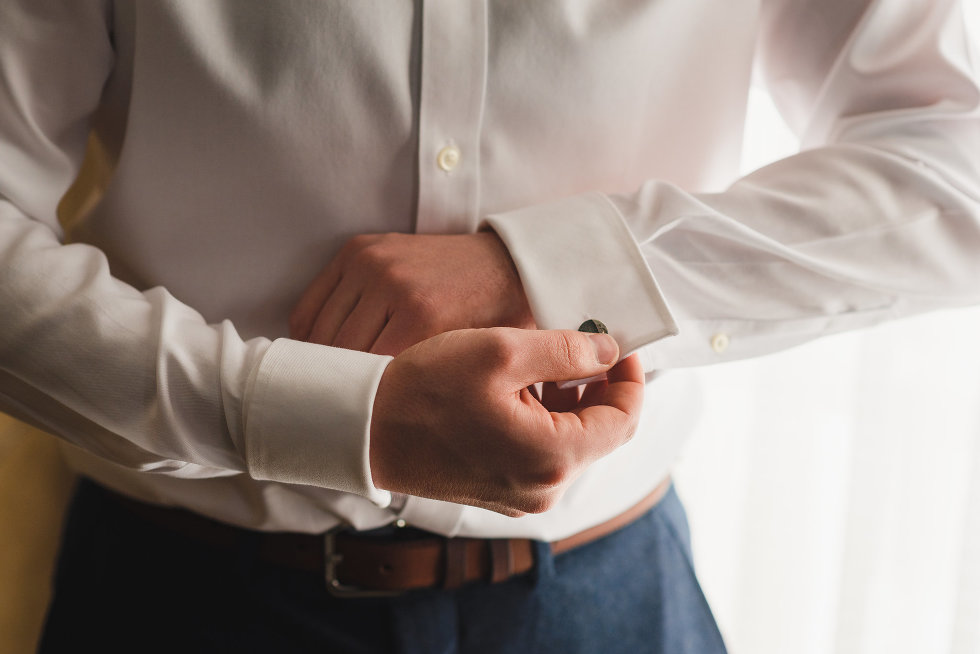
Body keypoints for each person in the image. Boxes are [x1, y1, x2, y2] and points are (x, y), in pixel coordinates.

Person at [2, 1, 978, 652]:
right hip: (178, 602)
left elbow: (956, 155)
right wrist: (319, 418)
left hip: (610, 601)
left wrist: (546, 273)